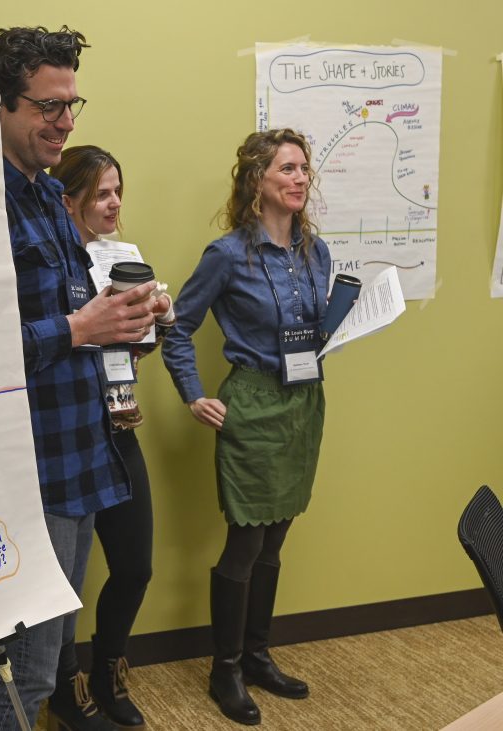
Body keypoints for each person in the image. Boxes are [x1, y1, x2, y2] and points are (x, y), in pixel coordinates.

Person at [0, 27, 168, 731]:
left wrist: (125, 318)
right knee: (19, 662)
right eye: (49, 107)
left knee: (47, 658)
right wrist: (82, 328)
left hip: (81, 456)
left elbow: (72, 314)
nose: (67, 123)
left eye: (73, 104)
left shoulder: (49, 196)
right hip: (28, 470)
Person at [161, 128, 331, 726]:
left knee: (276, 538)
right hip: (253, 406)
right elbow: (176, 328)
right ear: (257, 180)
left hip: (304, 405)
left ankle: (258, 655)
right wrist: (193, 396)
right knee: (246, 542)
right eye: (288, 168)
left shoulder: (317, 253)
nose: (300, 179)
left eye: (305, 169)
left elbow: (315, 332)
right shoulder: (229, 253)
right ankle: (225, 668)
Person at [48, 145, 175, 730]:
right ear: (67, 199)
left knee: (135, 565)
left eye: (118, 190)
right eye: (101, 193)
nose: (114, 203)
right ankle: (62, 686)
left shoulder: (126, 256)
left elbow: (135, 352)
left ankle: (107, 669)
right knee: (64, 582)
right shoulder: (52, 266)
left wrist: (155, 319)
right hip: (70, 431)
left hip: (119, 424)